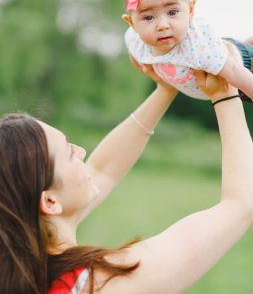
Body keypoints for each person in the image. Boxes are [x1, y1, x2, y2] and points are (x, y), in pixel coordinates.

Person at [1, 64, 253, 294]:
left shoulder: (19, 273)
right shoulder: (100, 284)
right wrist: (224, 92)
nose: (82, 152)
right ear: (50, 202)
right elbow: (240, 204)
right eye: (69, 151)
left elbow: (103, 170)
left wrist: (165, 90)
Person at [121, 0, 253, 102]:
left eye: (172, 12)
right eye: (148, 17)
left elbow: (234, 71)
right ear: (132, 24)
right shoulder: (135, 41)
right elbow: (134, 54)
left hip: (244, 70)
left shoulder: (196, 47)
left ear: (190, 11)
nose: (163, 25)